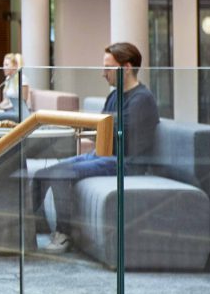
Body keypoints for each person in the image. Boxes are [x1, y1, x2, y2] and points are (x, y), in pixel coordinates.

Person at [31, 42, 159, 253]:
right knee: (42, 173)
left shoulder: (142, 99)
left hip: (126, 163)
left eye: (108, 67)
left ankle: (64, 234)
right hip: (104, 155)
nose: (103, 73)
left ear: (126, 68)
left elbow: (121, 138)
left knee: (61, 173)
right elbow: (103, 129)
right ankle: (35, 226)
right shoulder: (114, 96)